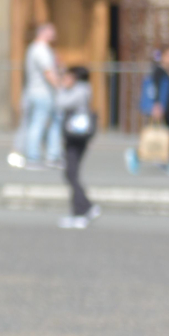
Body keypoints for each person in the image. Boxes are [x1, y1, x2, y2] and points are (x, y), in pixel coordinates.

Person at [10, 23, 63, 169]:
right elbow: (48, 72)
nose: (54, 34)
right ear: (44, 32)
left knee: (52, 122)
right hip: (42, 93)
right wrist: (60, 86)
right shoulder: (41, 49)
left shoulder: (37, 49)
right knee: (38, 124)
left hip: (38, 92)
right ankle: (34, 157)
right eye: (52, 31)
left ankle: (52, 156)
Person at [56, 65, 99, 228]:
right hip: (76, 135)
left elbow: (61, 102)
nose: (65, 79)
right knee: (71, 173)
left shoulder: (80, 90)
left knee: (71, 173)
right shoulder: (83, 89)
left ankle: (84, 209)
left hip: (76, 136)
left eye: (68, 76)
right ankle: (80, 210)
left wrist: (61, 88)